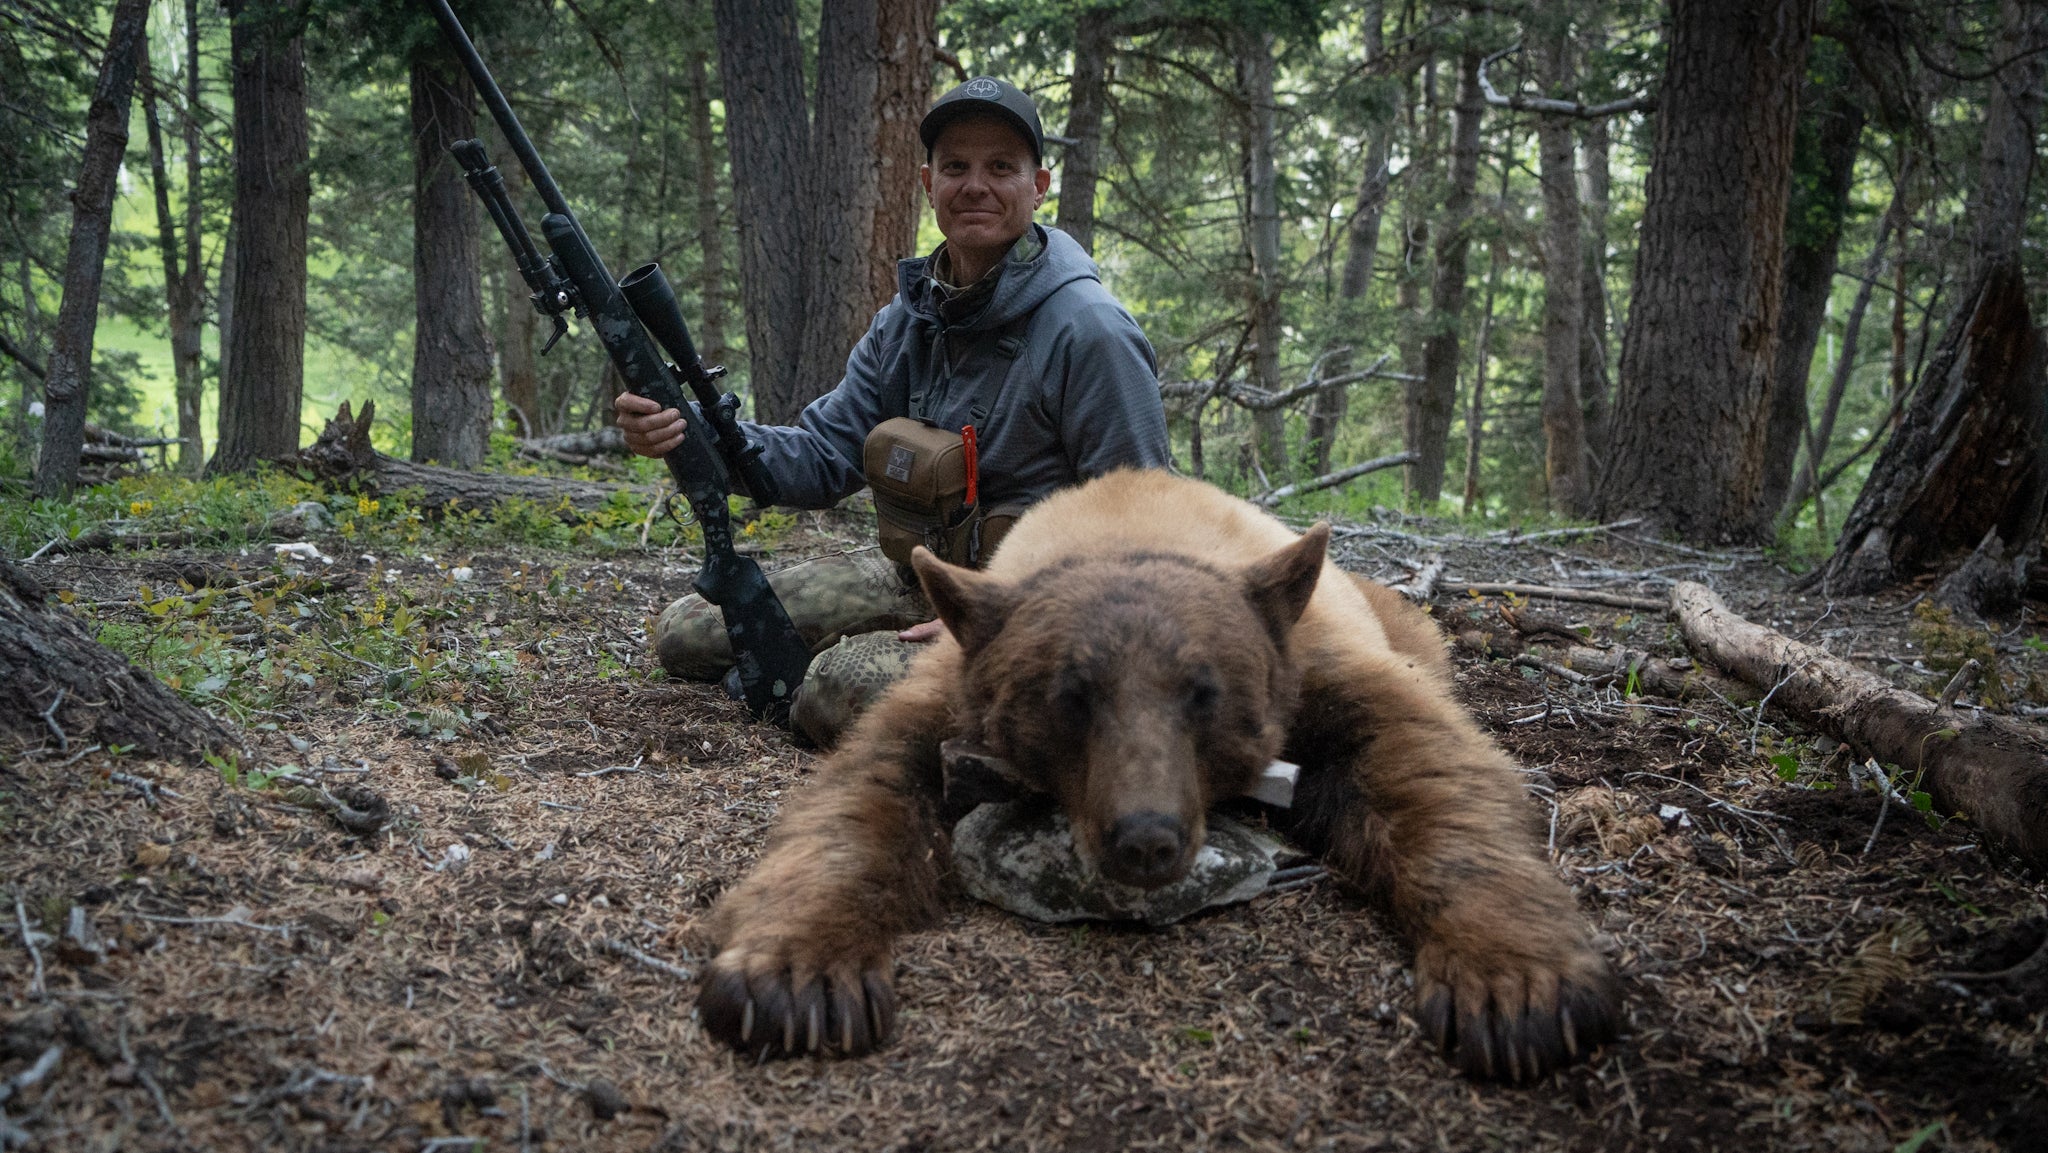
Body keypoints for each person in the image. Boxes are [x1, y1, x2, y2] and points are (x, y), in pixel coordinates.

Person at [616, 77, 1170, 744]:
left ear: (1040, 184)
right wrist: (688, 434)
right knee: (689, 631)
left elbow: (1146, 526)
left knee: (833, 689)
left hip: (1040, 607)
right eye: (956, 167)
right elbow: (821, 457)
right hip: (919, 574)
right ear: (928, 181)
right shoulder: (908, 321)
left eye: (1001, 167)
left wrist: (1004, 610)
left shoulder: (1090, 332)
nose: (975, 186)